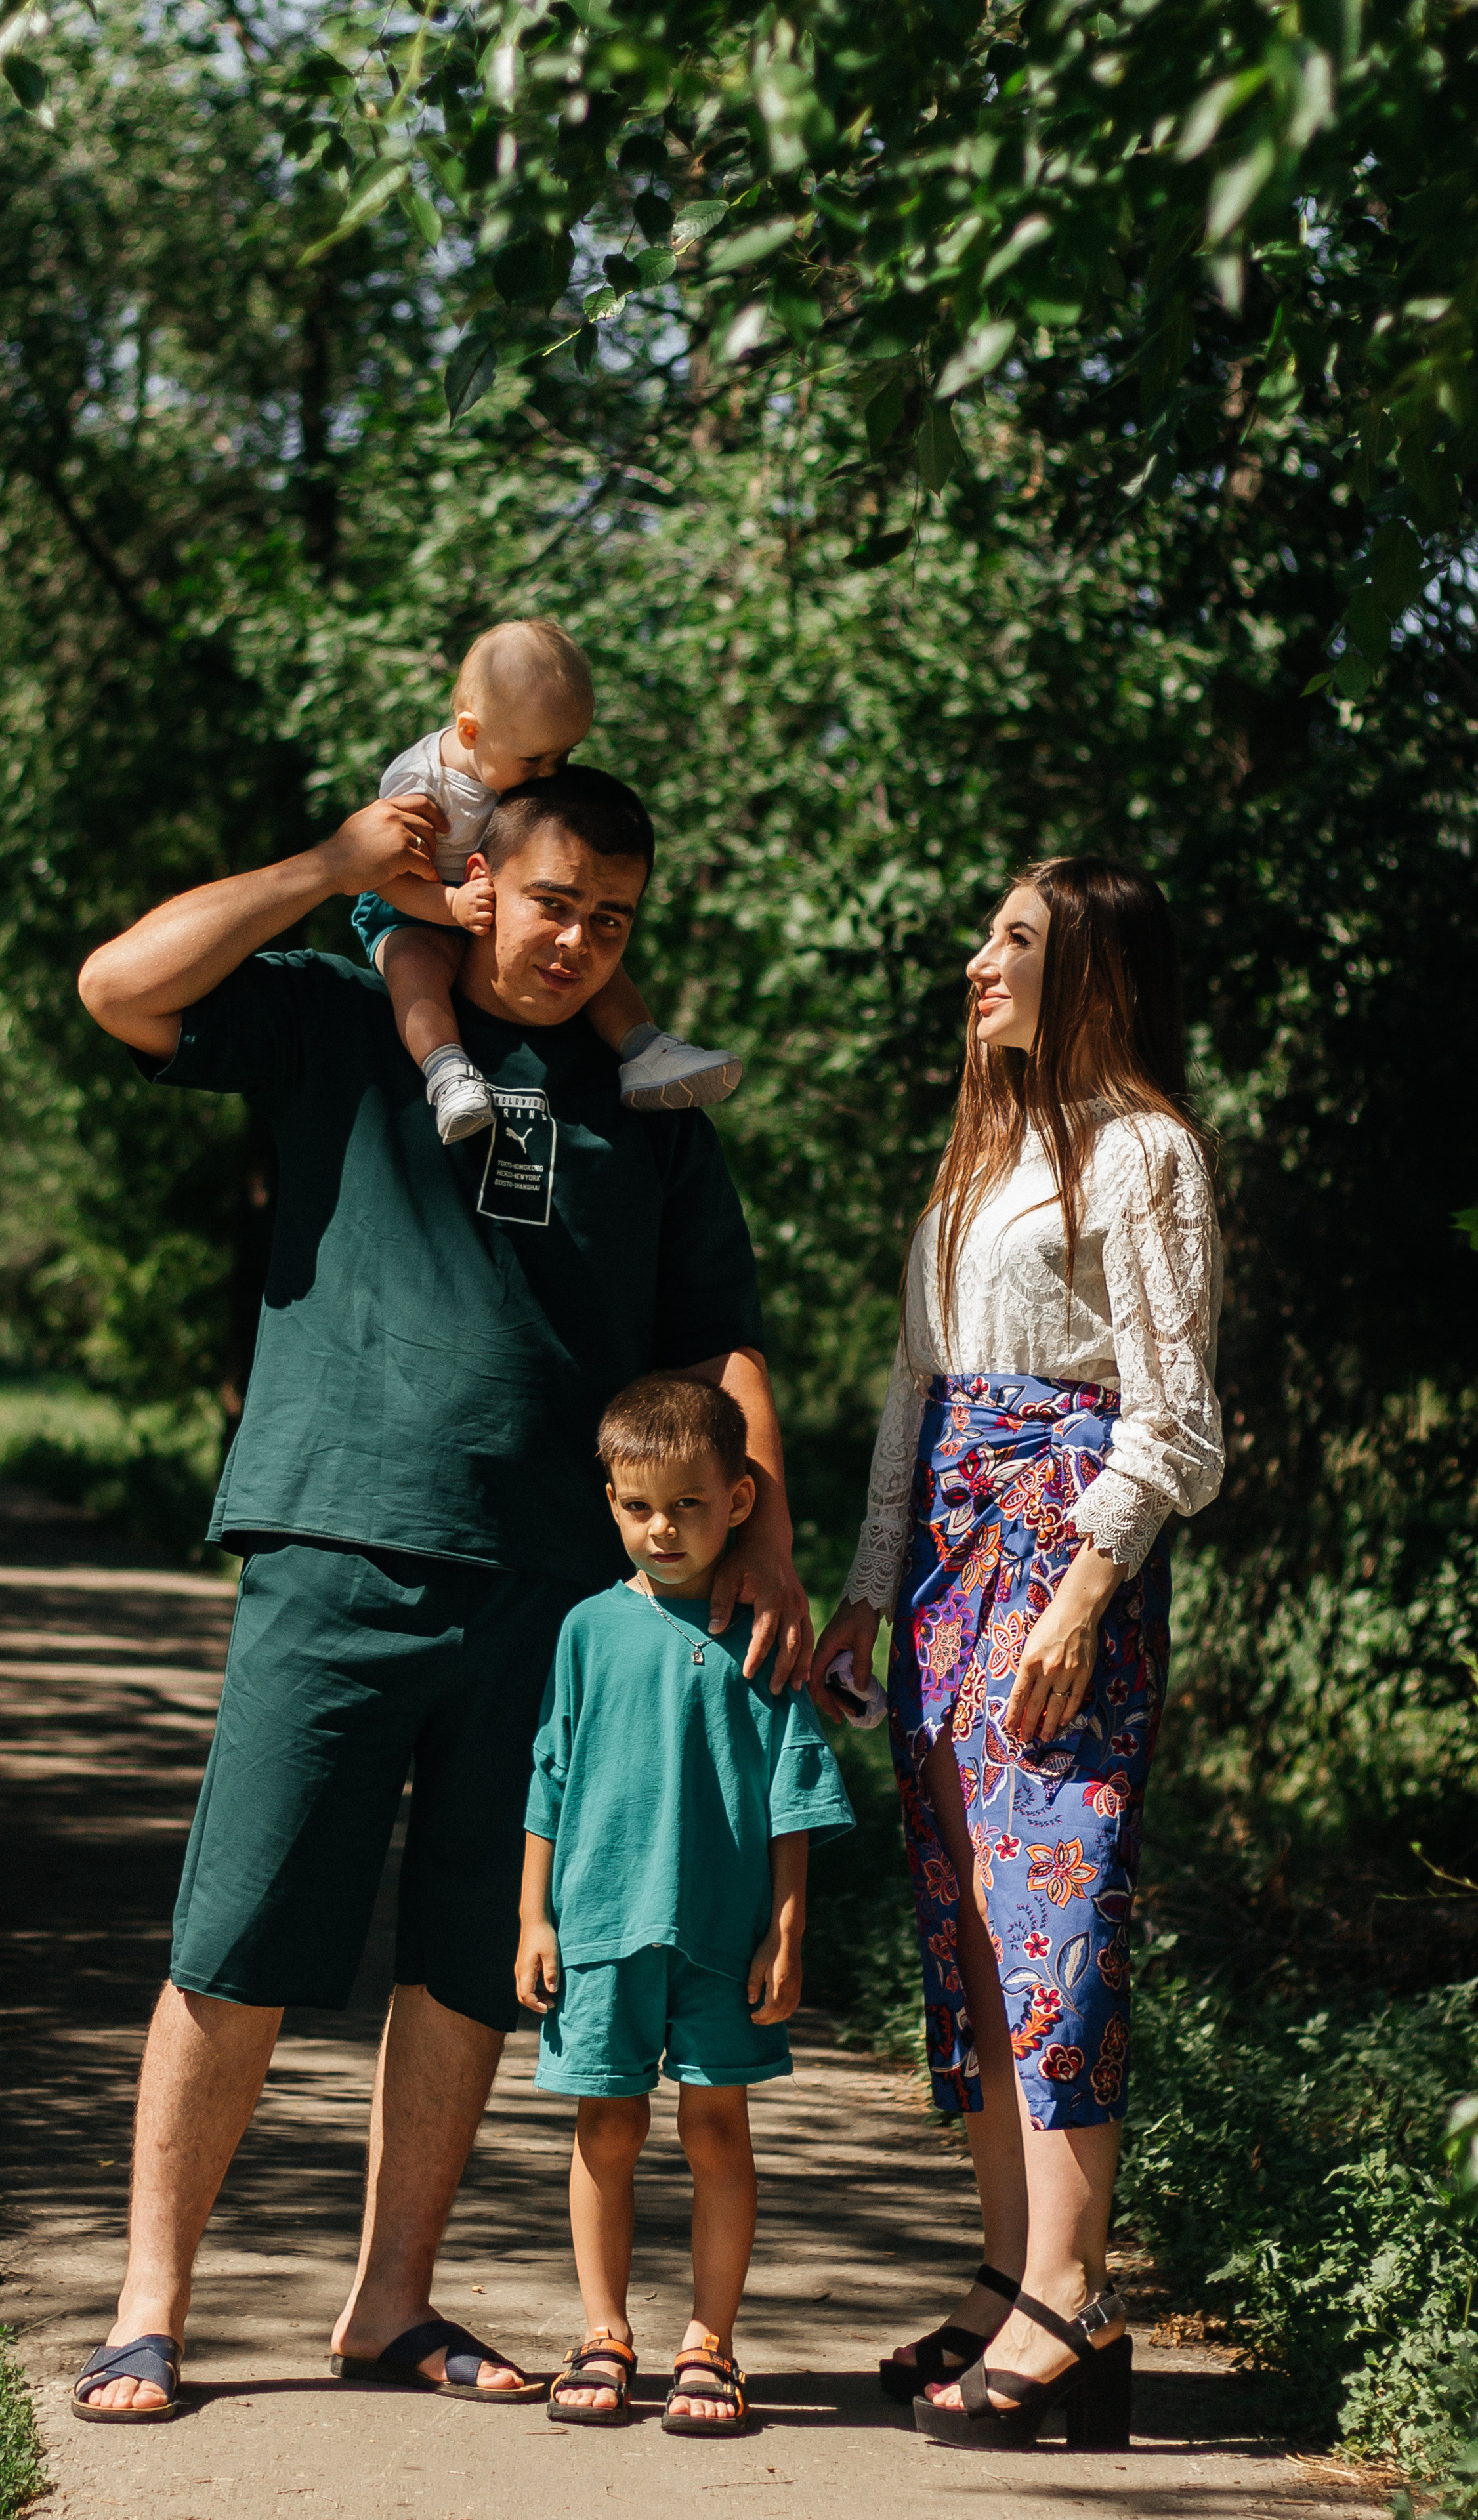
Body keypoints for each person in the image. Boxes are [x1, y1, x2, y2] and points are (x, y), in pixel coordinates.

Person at [68, 763, 813, 2422]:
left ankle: (387, 2302)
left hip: (558, 1592)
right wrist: (333, 861)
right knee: (241, 1927)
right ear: (477, 883)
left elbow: (717, 1332)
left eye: (610, 918)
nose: (575, 941)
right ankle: (149, 2304)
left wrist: (762, 1519)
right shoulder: (342, 1014)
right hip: (338, 1535)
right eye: (553, 902)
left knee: (475, 1956)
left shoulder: (649, 1097)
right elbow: (117, 988)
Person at [812, 855, 1223, 2453]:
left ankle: (1073, 2293)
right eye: (984, 932)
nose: (974, 959)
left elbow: (1175, 1415)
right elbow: (911, 1404)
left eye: (1014, 939)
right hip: (940, 1569)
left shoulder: (1142, 1152)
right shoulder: (972, 1165)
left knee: (1055, 1915)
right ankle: (1009, 2278)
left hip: (1061, 1560)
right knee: (971, 1921)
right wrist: (865, 1585)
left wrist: (1080, 1589)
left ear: (1093, 972)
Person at [515, 1374, 853, 2436]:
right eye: (637, 1507)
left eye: (689, 1505)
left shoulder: (762, 1632)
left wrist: (788, 1928)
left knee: (717, 2131)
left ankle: (709, 2344)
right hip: (601, 1931)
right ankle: (603, 2333)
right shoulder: (585, 1630)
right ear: (610, 1499)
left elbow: (794, 1790)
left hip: (720, 1932)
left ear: (740, 1499)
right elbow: (550, 1778)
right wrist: (534, 1917)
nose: (662, 1529)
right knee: (605, 2129)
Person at [357, 617, 743, 1143]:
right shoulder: (421, 786)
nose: (549, 774)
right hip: (414, 904)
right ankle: (447, 1072)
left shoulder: (511, 753)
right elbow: (381, 877)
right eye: (534, 760)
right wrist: (448, 907)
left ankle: (644, 1049)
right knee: (418, 969)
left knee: (592, 956)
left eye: (563, 757)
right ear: (472, 732)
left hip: (491, 900)